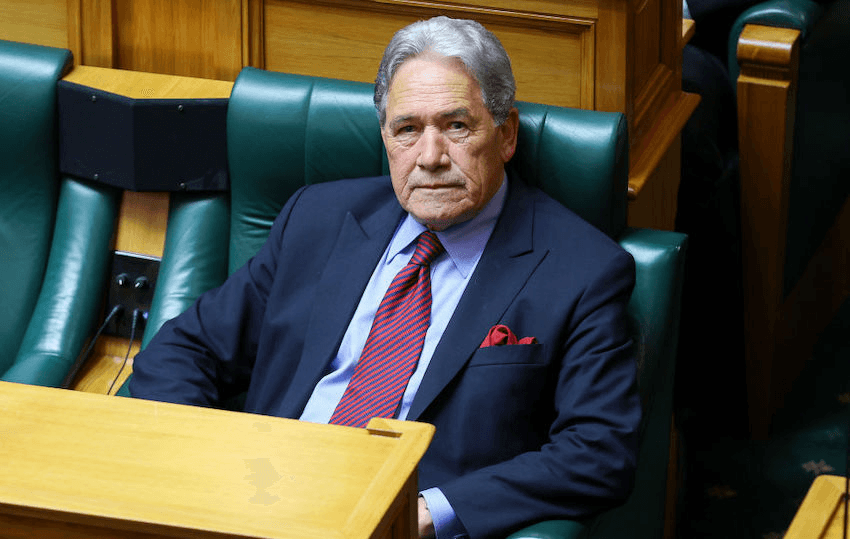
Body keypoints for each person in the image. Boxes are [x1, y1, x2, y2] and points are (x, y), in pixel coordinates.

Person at [130, 16, 641, 539]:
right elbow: (185, 350)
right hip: (260, 501)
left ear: (505, 134)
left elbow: (598, 451)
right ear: (385, 137)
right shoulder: (318, 219)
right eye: (408, 129)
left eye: (457, 126)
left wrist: (428, 512)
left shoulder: (582, 270)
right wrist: (209, 467)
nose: (431, 157)